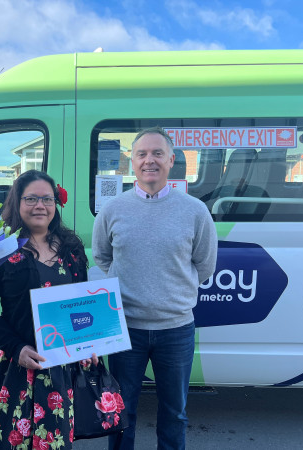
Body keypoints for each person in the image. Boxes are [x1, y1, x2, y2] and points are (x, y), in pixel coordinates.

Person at [92, 127, 218, 450]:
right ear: (131, 162)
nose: (150, 161)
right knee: (121, 414)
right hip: (125, 329)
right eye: (142, 154)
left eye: (158, 153)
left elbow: (204, 266)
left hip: (176, 330)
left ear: (172, 160)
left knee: (174, 414)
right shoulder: (112, 210)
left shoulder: (195, 212)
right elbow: (103, 258)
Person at [0, 170, 95, 449]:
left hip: (60, 366)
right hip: (14, 361)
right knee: (8, 441)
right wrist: (17, 348)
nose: (40, 205)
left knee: (53, 441)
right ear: (17, 202)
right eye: (32, 199)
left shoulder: (72, 249)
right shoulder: (1, 248)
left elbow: (82, 304)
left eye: (47, 199)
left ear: (56, 204)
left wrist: (88, 344)